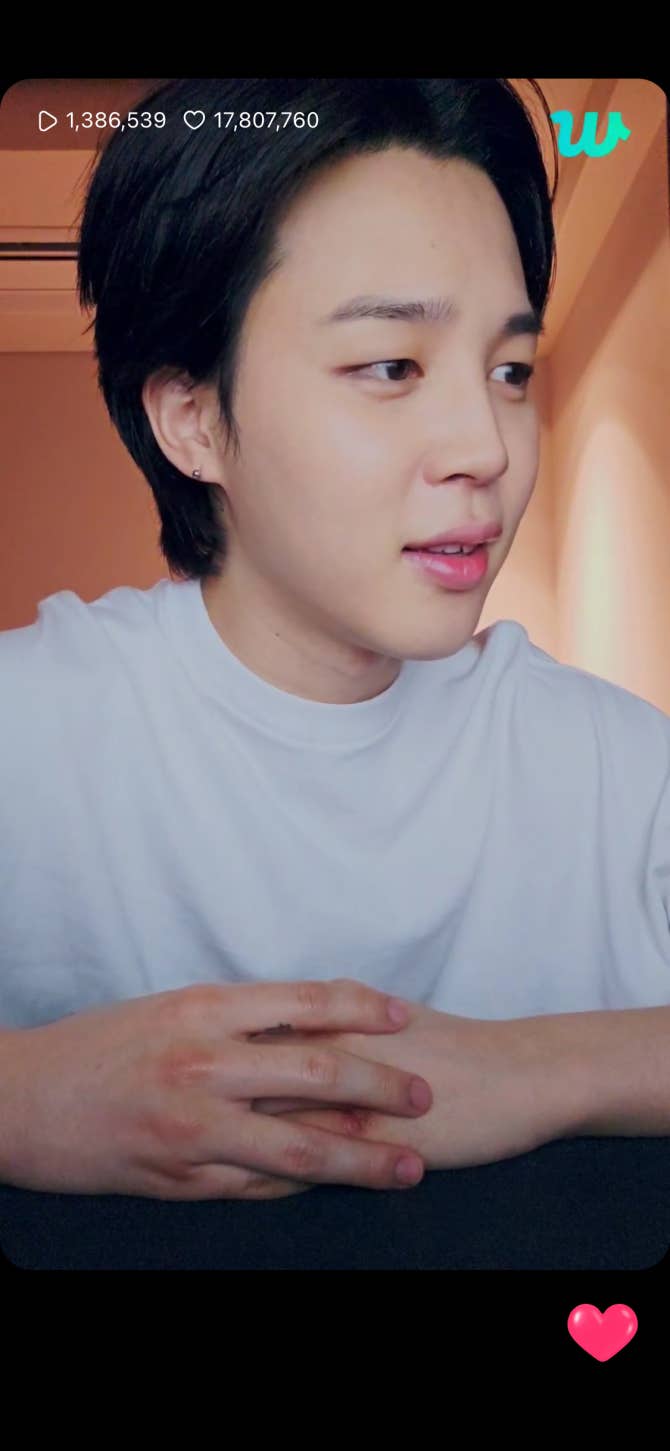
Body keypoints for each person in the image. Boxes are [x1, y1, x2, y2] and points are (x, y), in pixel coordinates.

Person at [2, 77, 670, 1209]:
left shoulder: (619, 769)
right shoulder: (29, 729)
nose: (486, 446)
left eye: (509, 371)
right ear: (192, 419)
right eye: (391, 366)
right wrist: (22, 1098)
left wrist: (538, 1064)